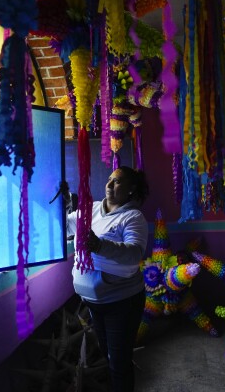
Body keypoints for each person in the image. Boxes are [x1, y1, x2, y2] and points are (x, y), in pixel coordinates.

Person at [67, 165, 149, 392]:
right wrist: (57, 203)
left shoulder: (133, 217)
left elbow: (133, 254)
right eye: (110, 180)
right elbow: (64, 225)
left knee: (119, 362)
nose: (110, 185)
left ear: (131, 189)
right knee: (108, 355)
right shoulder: (89, 210)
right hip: (94, 302)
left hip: (122, 302)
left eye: (118, 181)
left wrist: (99, 245)